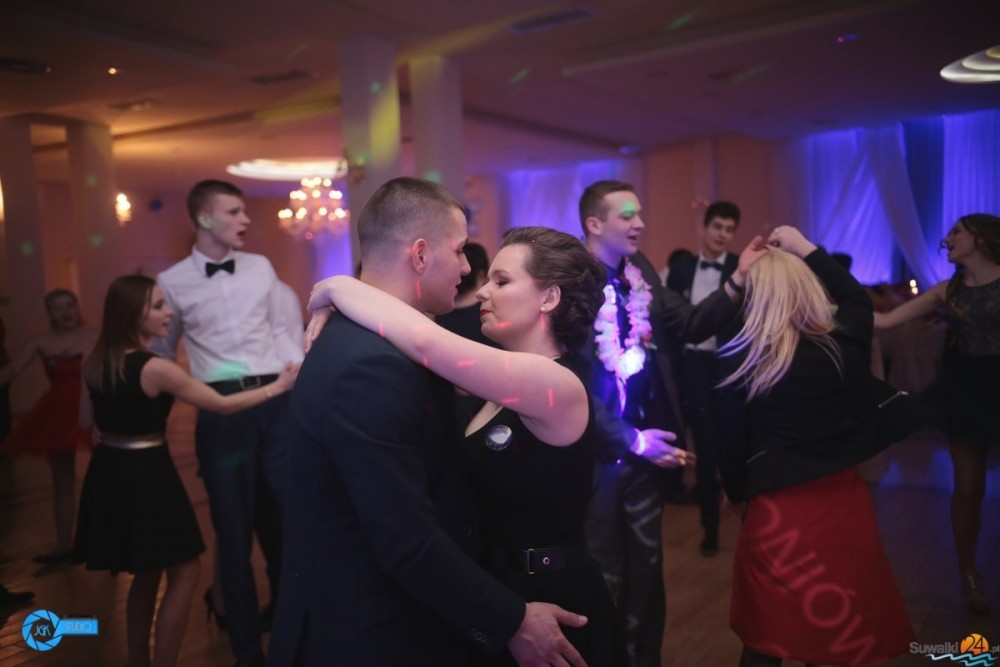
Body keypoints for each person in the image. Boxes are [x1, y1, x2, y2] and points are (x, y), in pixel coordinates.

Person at [269, 178, 589, 667]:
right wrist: (507, 620)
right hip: (372, 629)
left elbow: (426, 342)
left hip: (530, 596)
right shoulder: (373, 364)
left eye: (501, 281)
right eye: (461, 251)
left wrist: (337, 287)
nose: (470, 274)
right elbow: (406, 539)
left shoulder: (528, 376)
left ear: (549, 298)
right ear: (420, 255)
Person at [577, 180, 762, 667]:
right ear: (594, 224)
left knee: (647, 573)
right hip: (597, 455)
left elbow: (691, 322)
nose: (640, 223)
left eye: (639, 213)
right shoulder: (569, 280)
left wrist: (738, 279)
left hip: (648, 450)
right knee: (603, 574)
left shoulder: (639, 271)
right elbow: (570, 379)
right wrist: (629, 440)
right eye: (627, 215)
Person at [74, 275, 296, 667]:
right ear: (133, 314)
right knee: (185, 569)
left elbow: (85, 421)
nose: (168, 313)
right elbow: (220, 404)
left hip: (110, 470)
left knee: (145, 574)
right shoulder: (156, 368)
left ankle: (137, 661)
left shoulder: (93, 360)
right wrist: (276, 388)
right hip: (148, 475)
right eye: (158, 306)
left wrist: (109, 428)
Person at [716, 226, 913, 667]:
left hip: (774, 514)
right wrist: (804, 248)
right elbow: (857, 299)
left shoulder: (742, 359)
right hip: (842, 506)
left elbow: (730, 442)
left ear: (756, 298)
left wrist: (737, 491)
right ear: (808, 289)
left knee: (766, 636)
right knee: (833, 637)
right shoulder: (843, 346)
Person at [154, 179, 303, 666]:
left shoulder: (260, 267)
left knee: (286, 523)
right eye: (234, 212)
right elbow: (161, 351)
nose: (246, 219)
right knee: (233, 534)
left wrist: (295, 383)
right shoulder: (171, 282)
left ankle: (292, 637)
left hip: (275, 407)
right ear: (204, 218)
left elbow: (282, 330)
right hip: (221, 414)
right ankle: (246, 653)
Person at [873, 213, 1000, 615]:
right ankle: (969, 575)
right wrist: (825, 306)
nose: (947, 239)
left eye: (956, 232)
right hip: (966, 391)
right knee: (968, 489)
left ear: (981, 238)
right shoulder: (947, 290)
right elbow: (885, 321)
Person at [666, 200, 742, 557]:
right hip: (694, 367)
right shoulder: (680, 271)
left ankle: (748, 521)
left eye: (729, 229)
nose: (722, 235)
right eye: (717, 227)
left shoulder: (742, 268)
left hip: (730, 366)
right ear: (704, 228)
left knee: (735, 445)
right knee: (706, 451)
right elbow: (670, 323)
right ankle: (709, 527)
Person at [0, 289, 96, 563]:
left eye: (70, 305)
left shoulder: (95, 335)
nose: (65, 312)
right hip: (56, 414)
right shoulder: (41, 341)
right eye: (58, 307)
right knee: (62, 482)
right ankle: (63, 545)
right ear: (49, 313)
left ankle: (105, 540)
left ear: (77, 307)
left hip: (92, 409)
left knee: (102, 478)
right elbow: (14, 368)